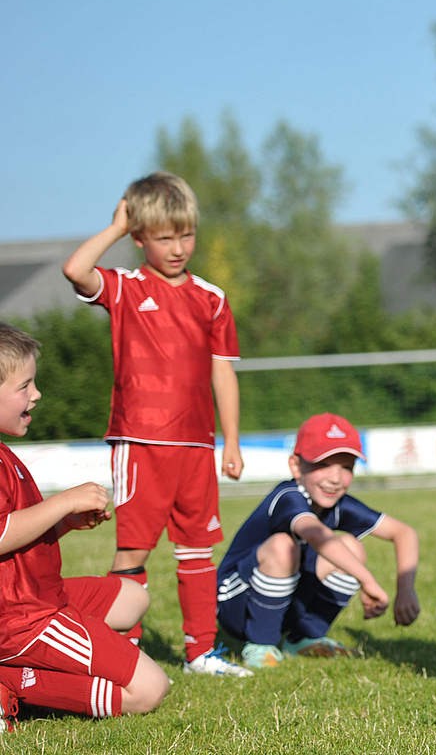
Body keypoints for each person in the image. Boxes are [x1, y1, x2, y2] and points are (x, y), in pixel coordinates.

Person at [61, 172, 251, 677]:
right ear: (140, 237)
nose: (178, 247)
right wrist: (116, 226)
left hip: (195, 445)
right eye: (164, 237)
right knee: (134, 549)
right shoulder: (125, 288)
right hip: (140, 442)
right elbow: (75, 268)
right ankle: (129, 651)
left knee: (197, 547)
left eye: (186, 235)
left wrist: (230, 439)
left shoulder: (211, 297)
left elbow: (222, 371)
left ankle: (201, 653)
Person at [0, 322, 170, 730]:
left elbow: (18, 536)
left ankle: (80, 657)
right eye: (25, 386)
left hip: (41, 597)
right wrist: (65, 501)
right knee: (149, 689)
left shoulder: (6, 453)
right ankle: (12, 679)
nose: (36, 394)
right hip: (20, 620)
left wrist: (64, 523)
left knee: (132, 598)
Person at [216, 413, 420, 669]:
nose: (335, 478)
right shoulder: (288, 496)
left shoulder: (337, 503)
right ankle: (261, 645)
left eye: (346, 466)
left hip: (283, 598)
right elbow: (316, 534)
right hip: (234, 603)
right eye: (323, 464)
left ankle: (304, 637)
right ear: (296, 466)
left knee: (351, 547)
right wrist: (367, 580)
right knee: (283, 546)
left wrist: (406, 590)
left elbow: (404, 533)